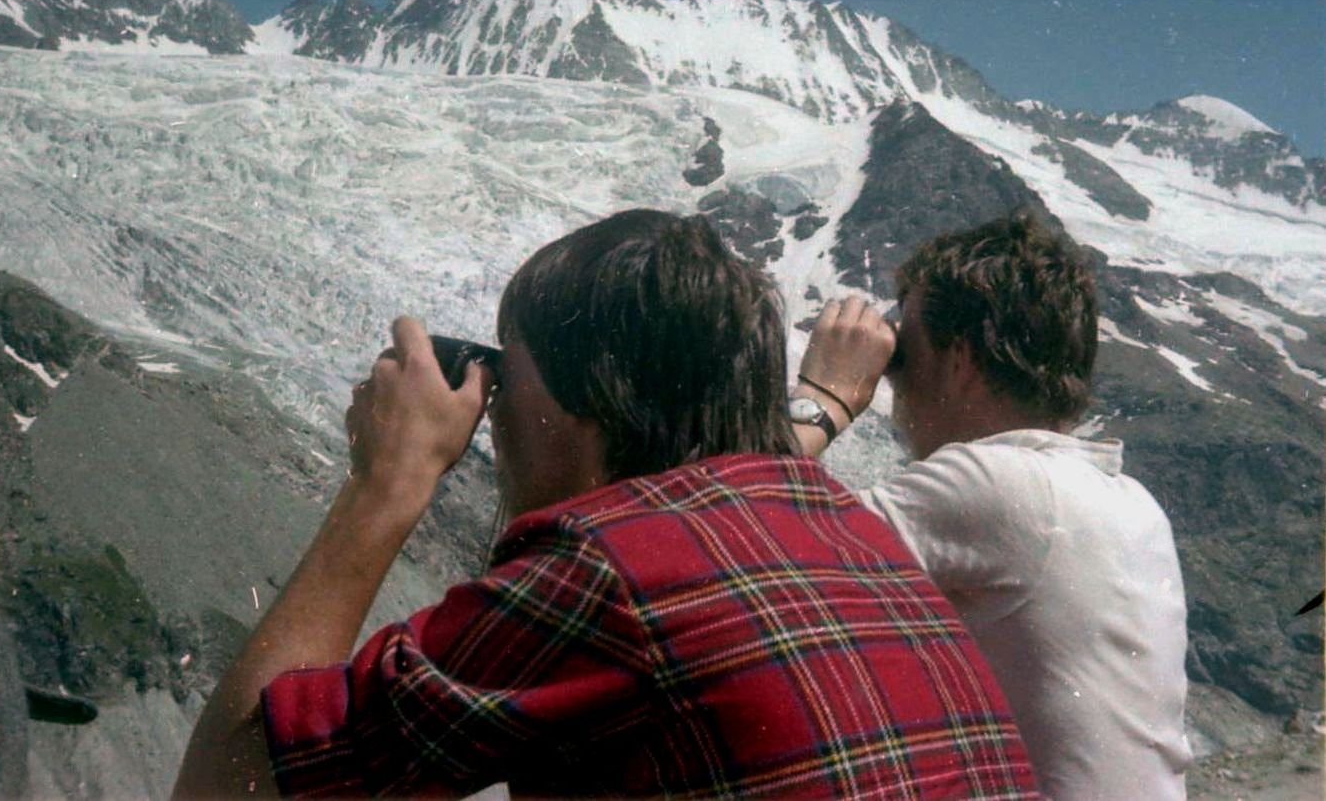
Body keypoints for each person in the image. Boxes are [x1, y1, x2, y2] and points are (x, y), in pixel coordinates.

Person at [174, 209, 1038, 798]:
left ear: (588, 397)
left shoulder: (608, 566)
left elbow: (235, 781)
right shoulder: (848, 526)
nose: (495, 408)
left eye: (507, 373)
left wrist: (384, 487)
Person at [791, 211, 1192, 800]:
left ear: (962, 359)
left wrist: (822, 398)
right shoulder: (1128, 499)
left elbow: (749, 545)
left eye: (903, 352)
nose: (894, 381)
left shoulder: (997, 485)